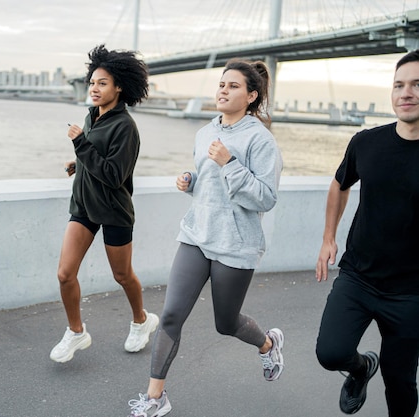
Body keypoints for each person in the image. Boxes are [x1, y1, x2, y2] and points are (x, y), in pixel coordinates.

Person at [127, 59, 284, 417]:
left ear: (251, 95)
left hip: (235, 244)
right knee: (170, 316)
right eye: (221, 84)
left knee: (226, 323)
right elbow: (209, 187)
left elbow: (266, 197)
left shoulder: (260, 140)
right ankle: (155, 399)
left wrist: (230, 163)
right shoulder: (204, 133)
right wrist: (190, 182)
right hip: (197, 236)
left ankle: (268, 343)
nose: (223, 90)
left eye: (233, 86)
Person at [315, 49, 419, 417]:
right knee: (330, 353)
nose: (406, 93)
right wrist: (329, 237)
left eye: (417, 84)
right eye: (399, 85)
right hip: (359, 276)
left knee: (401, 380)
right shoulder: (366, 142)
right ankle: (361, 369)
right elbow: (340, 184)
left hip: (411, 292)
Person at [49, 44, 159, 363]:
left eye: (103, 83)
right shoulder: (92, 115)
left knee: (122, 276)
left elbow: (113, 174)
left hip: (113, 211)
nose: (95, 89)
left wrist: (80, 144)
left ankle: (141, 320)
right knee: (65, 274)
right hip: (83, 206)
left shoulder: (126, 127)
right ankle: (76, 332)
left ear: (119, 87)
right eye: (93, 82)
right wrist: (78, 165)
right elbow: (96, 158)